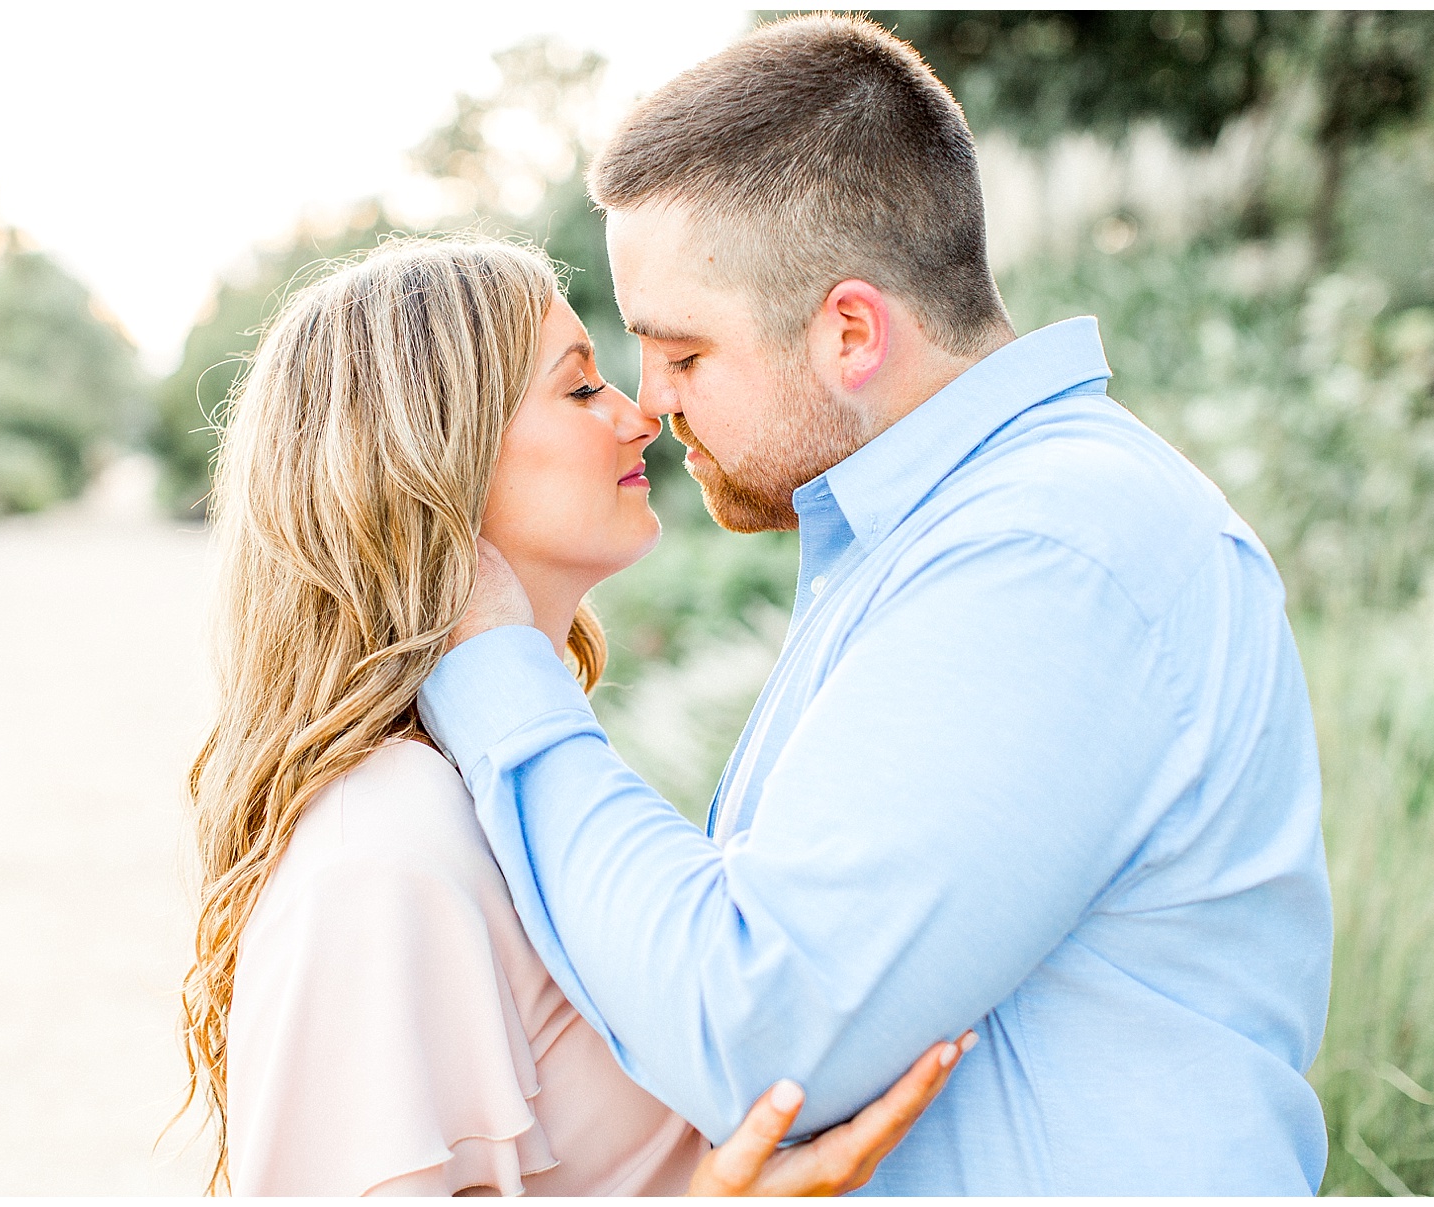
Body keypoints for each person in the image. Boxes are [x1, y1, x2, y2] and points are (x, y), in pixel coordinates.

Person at [417, 14, 1335, 1197]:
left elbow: (757, 1037)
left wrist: (495, 662)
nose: (653, 405)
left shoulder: (1046, 550)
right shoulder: (949, 538)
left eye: (684, 355)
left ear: (851, 331)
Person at [177, 236, 971, 1196]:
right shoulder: (382, 843)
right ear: (440, 455)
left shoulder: (501, 776)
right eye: (582, 387)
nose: (641, 416)